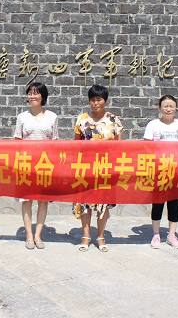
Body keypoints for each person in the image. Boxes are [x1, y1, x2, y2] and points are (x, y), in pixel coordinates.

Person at [73, 84, 122, 252]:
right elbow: (76, 144)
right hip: (85, 167)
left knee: (103, 204)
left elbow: (119, 145)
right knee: (84, 202)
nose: (95, 103)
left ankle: (100, 236)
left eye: (99, 99)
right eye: (92, 100)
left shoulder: (114, 120)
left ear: (105, 101)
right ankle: (86, 236)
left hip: (106, 167)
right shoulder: (82, 119)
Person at [143, 95, 178, 249]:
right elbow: (146, 147)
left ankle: (171, 235)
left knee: (174, 204)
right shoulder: (153, 124)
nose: (168, 109)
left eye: (171, 106)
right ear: (159, 108)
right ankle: (156, 235)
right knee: (158, 204)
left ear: (176, 108)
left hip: (177, 171)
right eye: (165, 106)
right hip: (159, 170)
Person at [14, 82, 58, 250]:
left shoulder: (52, 117)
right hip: (26, 164)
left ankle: (38, 235)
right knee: (26, 201)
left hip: (45, 165)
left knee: (42, 201)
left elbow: (55, 142)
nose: (32, 96)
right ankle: (29, 235)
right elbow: (17, 141)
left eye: (36, 93)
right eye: (30, 93)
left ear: (43, 96)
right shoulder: (22, 117)